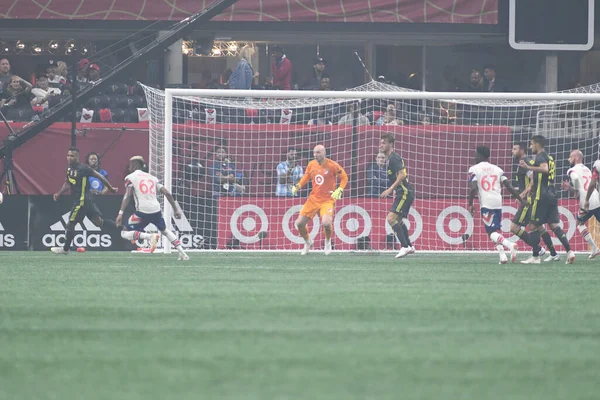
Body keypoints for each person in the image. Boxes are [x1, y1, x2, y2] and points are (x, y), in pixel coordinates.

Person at [115, 156, 189, 261]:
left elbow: (128, 195)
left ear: (135, 165)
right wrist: (175, 209)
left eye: (130, 165)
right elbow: (167, 193)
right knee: (165, 231)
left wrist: (120, 213)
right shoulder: (152, 178)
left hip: (142, 211)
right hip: (156, 210)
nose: (129, 167)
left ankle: (149, 237)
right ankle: (183, 254)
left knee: (124, 233)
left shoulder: (130, 177)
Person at [51, 147, 119, 254]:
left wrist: (111, 189)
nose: (69, 158)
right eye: (68, 155)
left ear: (77, 157)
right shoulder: (69, 168)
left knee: (70, 224)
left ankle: (65, 249)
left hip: (81, 201)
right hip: (88, 201)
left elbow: (100, 176)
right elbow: (67, 183)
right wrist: (59, 193)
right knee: (98, 222)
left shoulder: (83, 168)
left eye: (72, 156)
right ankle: (122, 229)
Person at [519, 135, 575, 264]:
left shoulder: (541, 156)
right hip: (552, 194)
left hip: (542, 195)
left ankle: (535, 257)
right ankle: (569, 252)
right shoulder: (550, 157)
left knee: (533, 225)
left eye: (532, 143)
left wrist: (528, 167)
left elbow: (544, 169)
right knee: (554, 225)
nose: (530, 146)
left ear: (538, 144)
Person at [468, 146, 525, 264]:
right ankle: (502, 256)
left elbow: (473, 188)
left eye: (476, 154)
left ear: (480, 155)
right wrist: (521, 199)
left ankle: (510, 245)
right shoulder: (498, 169)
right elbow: (509, 186)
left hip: (486, 202)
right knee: (493, 231)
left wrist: (470, 204)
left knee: (491, 232)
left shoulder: (474, 169)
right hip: (498, 202)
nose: (474, 157)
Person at [291, 145, 348, 255]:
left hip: (327, 200)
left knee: (326, 223)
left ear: (324, 153)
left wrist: (340, 189)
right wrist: (297, 186)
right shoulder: (311, 164)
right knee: (299, 224)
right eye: (314, 153)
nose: (315, 155)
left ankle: (327, 242)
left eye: (318, 152)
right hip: (313, 199)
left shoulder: (332, 165)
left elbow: (344, 177)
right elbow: (306, 177)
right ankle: (308, 242)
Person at [510, 142, 558, 261]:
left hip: (528, 201)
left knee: (514, 227)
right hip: (532, 199)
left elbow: (533, 179)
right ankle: (553, 253)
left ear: (522, 150)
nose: (512, 151)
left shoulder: (525, 163)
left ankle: (537, 249)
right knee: (539, 227)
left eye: (515, 149)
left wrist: (523, 194)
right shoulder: (526, 162)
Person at [379, 133, 415, 258]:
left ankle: (404, 246)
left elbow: (402, 175)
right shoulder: (390, 159)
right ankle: (409, 246)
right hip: (402, 192)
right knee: (398, 220)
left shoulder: (394, 158)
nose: (381, 145)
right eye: (381, 142)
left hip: (404, 192)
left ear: (390, 144)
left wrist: (390, 189)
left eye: (384, 143)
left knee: (390, 219)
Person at [563, 150, 600, 259]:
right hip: (597, 198)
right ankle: (594, 249)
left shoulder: (571, 170)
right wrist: (572, 188)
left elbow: (575, 180)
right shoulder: (588, 169)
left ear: (576, 158)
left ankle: (594, 248)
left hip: (586, 202)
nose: (568, 159)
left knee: (579, 223)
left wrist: (574, 189)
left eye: (570, 157)